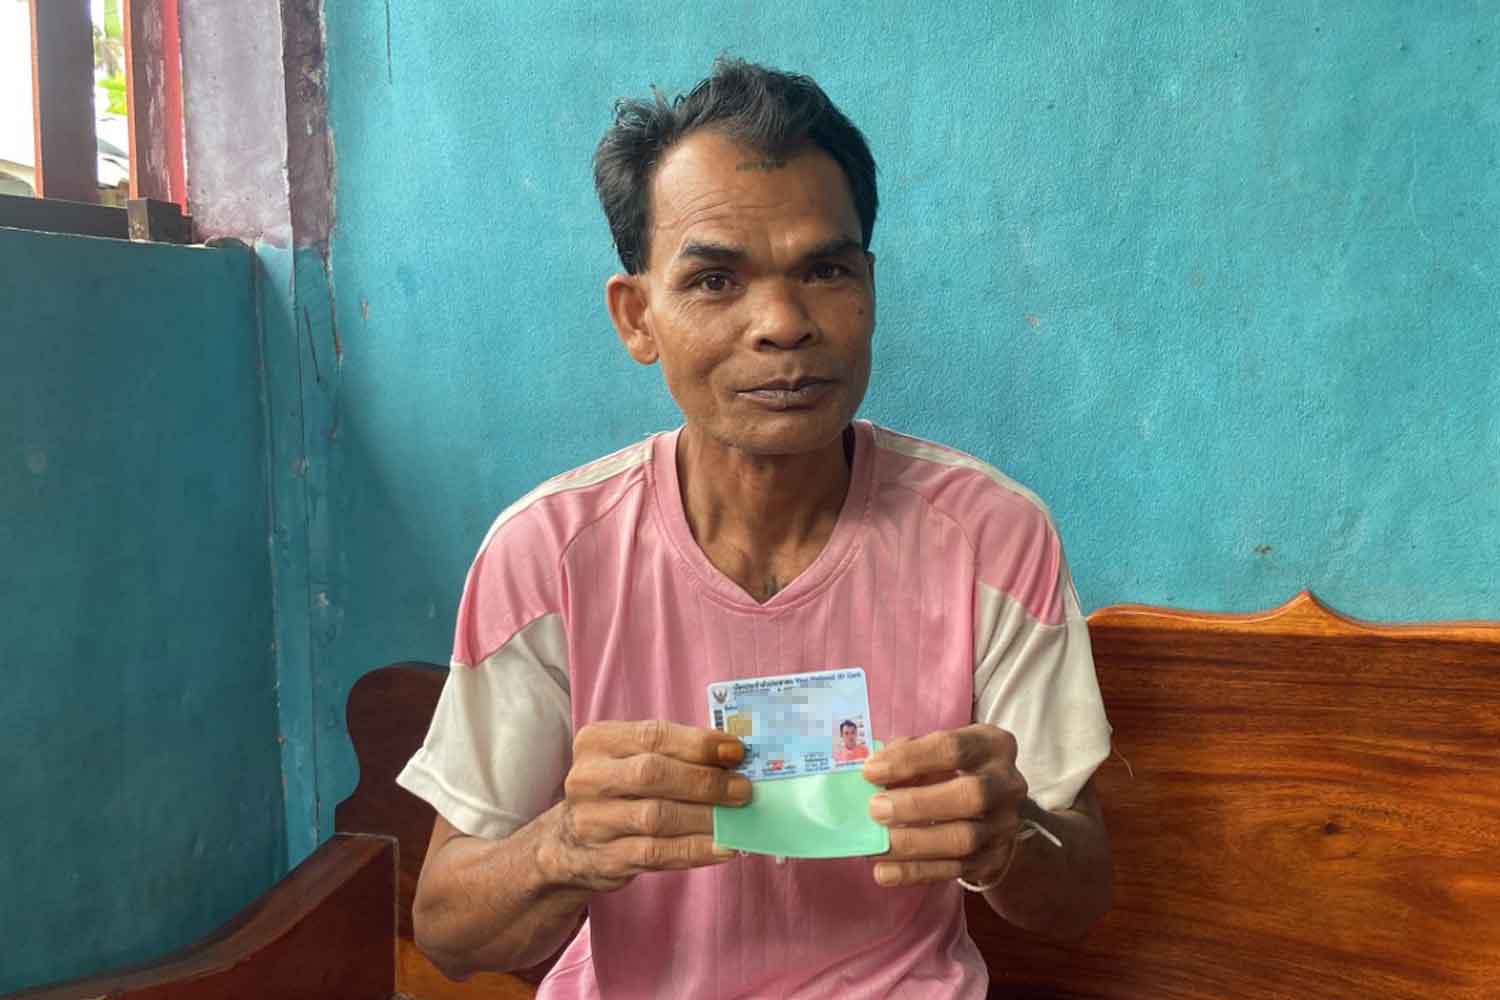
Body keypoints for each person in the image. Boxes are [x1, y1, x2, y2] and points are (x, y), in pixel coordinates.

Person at [397, 58, 1113, 998]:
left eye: (824, 269)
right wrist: (565, 843)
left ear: (868, 290)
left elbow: (1083, 888)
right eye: (714, 280)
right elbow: (447, 929)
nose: (782, 323)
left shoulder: (992, 535)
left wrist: (1008, 838)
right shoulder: (549, 555)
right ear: (637, 315)